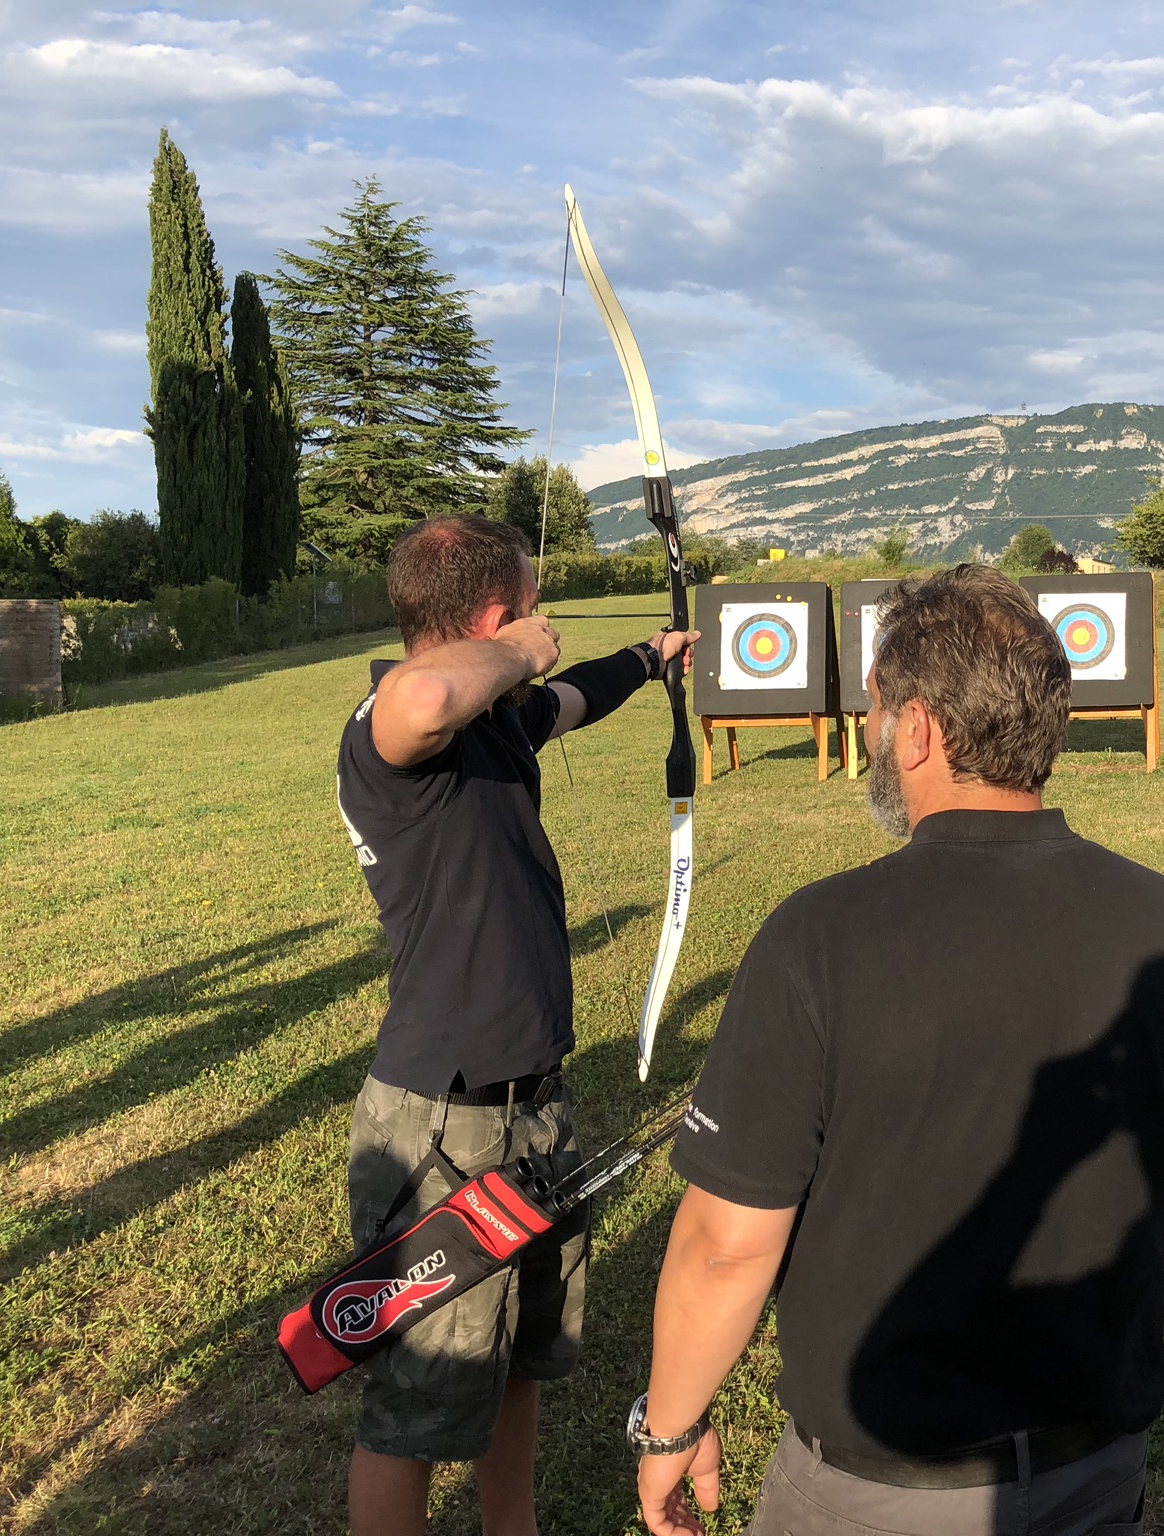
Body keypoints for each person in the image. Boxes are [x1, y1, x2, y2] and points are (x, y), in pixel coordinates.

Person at [627, 564, 1164, 1536]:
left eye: (876, 708)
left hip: (878, 1490)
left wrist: (669, 1425)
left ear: (916, 729)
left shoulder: (819, 937)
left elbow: (725, 1248)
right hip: (1093, 1464)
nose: (872, 732)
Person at [335, 513, 697, 1536]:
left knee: (520, 1358)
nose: (547, 626)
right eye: (535, 607)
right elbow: (426, 695)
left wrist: (649, 657)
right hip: (441, 1121)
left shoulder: (494, 723)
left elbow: (574, 697)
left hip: (533, 1102)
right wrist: (523, 648)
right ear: (496, 618)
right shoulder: (392, 733)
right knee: (414, 1403)